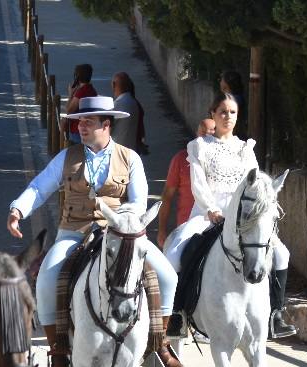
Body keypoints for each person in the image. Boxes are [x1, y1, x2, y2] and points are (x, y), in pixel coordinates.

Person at [8, 95, 182, 367]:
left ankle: (158, 344)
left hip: (120, 232)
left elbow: (139, 203)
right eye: (79, 122)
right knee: (47, 279)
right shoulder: (67, 157)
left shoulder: (130, 158)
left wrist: (120, 221)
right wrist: (17, 209)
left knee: (167, 277)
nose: (81, 127)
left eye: (89, 122)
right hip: (74, 232)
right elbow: (40, 188)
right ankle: (59, 350)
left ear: (107, 125)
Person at [162, 93, 296, 339]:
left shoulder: (246, 149)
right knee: (174, 253)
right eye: (222, 112)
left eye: (232, 112)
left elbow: (257, 186)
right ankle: (177, 314)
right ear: (213, 114)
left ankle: (276, 314)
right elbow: (198, 184)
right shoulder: (200, 146)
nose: (227, 117)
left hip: (244, 216)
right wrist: (211, 209)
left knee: (281, 254)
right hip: (207, 212)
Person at [158, 119, 214, 252]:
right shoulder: (181, 159)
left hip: (216, 227)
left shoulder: (227, 161)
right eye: (203, 133)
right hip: (187, 229)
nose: (206, 138)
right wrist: (161, 230)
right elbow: (167, 196)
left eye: (211, 134)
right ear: (197, 134)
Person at [110, 72, 147, 155]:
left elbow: (105, 129)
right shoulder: (134, 102)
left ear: (114, 85)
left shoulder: (118, 104)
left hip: (118, 152)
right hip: (132, 151)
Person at [61, 64, 97, 145]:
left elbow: (69, 110)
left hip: (78, 130)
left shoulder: (81, 92)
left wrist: (70, 94)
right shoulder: (92, 90)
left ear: (77, 77)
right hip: (89, 128)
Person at [219, 70, 245, 138]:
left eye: (222, 80)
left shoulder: (232, 100)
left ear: (226, 84)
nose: (220, 82)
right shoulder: (235, 98)